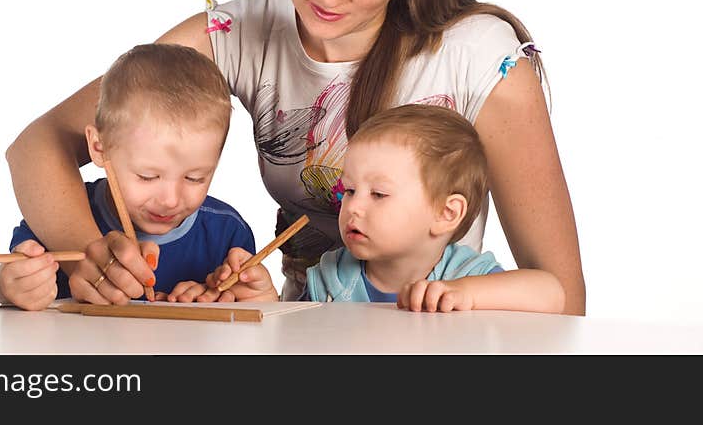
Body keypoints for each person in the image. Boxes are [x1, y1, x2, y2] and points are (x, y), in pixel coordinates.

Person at [3, 0, 585, 313]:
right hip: (302, 324)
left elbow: (563, 297)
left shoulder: (480, 57)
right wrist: (93, 255)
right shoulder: (241, 32)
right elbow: (37, 145)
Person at [201, 104, 565, 312]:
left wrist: (467, 293)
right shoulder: (332, 275)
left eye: (379, 194)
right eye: (349, 191)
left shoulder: (465, 271)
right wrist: (266, 300)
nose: (353, 207)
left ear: (446, 214)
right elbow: (293, 342)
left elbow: (552, 292)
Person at [0, 43, 256, 310]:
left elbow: (254, 319)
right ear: (98, 147)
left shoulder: (228, 233)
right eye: (148, 176)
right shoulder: (54, 216)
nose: (170, 200)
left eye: (195, 178)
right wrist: (9, 286)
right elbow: (10, 284)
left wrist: (219, 296)